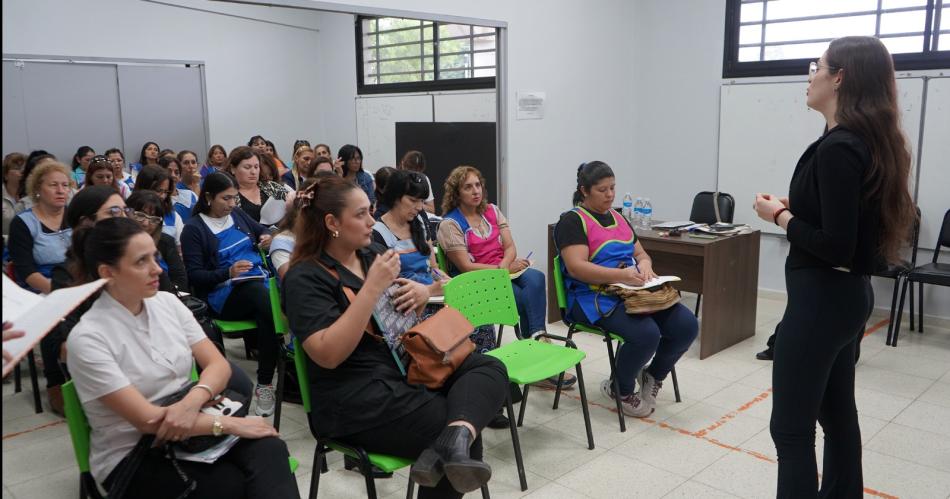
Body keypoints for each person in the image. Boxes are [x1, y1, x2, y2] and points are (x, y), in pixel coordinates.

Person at [755, 37, 915, 498]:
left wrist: (781, 217)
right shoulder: (862, 142)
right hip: (845, 298)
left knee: (790, 430)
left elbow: (838, 245)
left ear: (839, 77)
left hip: (824, 299)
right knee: (837, 413)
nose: (811, 76)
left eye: (817, 67)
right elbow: (847, 223)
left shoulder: (838, 148)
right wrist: (798, 206)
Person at [282, 175, 508, 497]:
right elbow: (328, 355)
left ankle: (453, 439)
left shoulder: (370, 251)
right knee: (459, 430)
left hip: (401, 367)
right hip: (353, 396)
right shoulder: (305, 277)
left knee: (489, 368)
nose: (371, 221)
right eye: (360, 214)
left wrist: (418, 294)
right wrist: (371, 288)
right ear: (332, 222)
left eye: (370, 210)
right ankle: (453, 440)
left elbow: (396, 313)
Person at [65, 217, 299, 498]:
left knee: (269, 447)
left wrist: (193, 401)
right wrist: (230, 423)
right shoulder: (89, 338)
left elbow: (218, 366)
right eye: (141, 262)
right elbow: (148, 421)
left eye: (155, 256)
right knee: (229, 484)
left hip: (192, 428)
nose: (156, 269)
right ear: (108, 272)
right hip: (136, 452)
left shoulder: (166, 303)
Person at [556, 161, 698, 416]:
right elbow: (577, 268)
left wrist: (644, 266)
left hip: (630, 290)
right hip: (591, 297)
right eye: (602, 190)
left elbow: (641, 253)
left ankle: (653, 375)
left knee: (687, 326)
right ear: (584, 190)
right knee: (646, 335)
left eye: (613, 188)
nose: (610, 195)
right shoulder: (572, 221)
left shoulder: (619, 217)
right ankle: (619, 389)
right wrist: (621, 275)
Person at [180, 172, 280, 416]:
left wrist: (267, 237)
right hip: (222, 294)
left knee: (269, 307)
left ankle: (268, 381)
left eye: (235, 198)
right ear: (208, 197)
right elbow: (195, 276)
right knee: (267, 304)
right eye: (226, 199)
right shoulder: (194, 229)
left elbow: (262, 231)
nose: (232, 204)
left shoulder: (236, 214)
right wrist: (228, 273)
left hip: (256, 283)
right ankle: (270, 377)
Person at [40, 185, 133, 415]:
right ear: (86, 222)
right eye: (113, 212)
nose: (122, 218)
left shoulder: (134, 261)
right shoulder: (67, 274)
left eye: (124, 211)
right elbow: (68, 341)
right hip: (106, 364)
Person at [9, 161, 73, 294]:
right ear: (37, 189)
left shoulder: (76, 216)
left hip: (79, 283)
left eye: (65, 185)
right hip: (43, 289)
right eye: (53, 185)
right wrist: (60, 293)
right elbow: (26, 271)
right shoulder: (22, 223)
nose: (60, 191)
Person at [127, 190, 189, 293]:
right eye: (140, 215)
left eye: (154, 219)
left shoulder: (165, 241)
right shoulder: (117, 245)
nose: (146, 223)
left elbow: (180, 281)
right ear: (127, 212)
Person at [227, 146, 288, 224]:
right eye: (247, 167)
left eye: (256, 167)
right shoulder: (228, 195)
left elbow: (294, 206)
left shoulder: (271, 186)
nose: (253, 172)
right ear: (233, 169)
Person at [133, 165, 184, 243]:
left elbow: (179, 250)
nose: (163, 196)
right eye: (158, 190)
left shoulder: (174, 217)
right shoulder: (128, 212)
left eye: (165, 192)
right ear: (143, 187)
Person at [157, 155, 198, 223]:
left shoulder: (191, 194)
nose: (173, 175)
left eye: (176, 172)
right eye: (168, 171)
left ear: (180, 177)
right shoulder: (158, 199)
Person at [338, 144, 375, 208]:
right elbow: (337, 200)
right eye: (353, 159)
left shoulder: (366, 177)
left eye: (358, 158)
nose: (357, 162)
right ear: (344, 161)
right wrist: (339, 175)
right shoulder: (337, 178)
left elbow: (371, 200)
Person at [2, 152, 27, 236]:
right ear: (5, 175)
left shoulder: (33, 195)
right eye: (17, 168)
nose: (22, 171)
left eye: (24, 168)